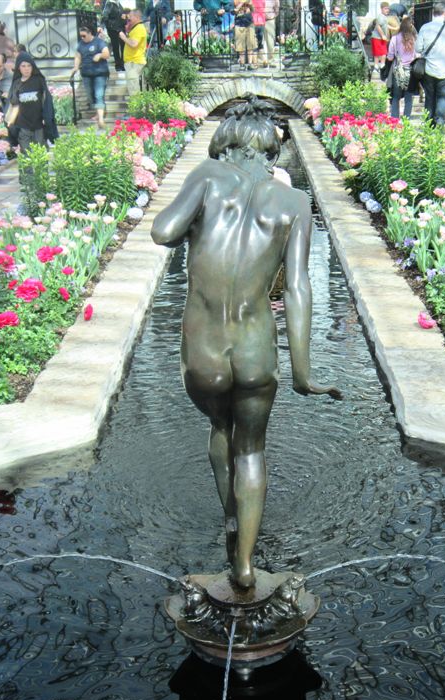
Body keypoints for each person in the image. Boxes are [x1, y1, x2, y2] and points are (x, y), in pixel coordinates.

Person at [151, 97, 341, 590]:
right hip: (257, 346)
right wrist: (303, 373)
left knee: (220, 426)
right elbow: (298, 290)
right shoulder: (294, 203)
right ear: (269, 152)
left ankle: (231, 520)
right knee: (252, 450)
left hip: (205, 347)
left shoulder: (208, 176)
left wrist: (200, 191)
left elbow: (163, 231)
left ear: (227, 146)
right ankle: (245, 564)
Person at [415, 2, 445, 127]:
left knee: (429, 96)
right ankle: (440, 122)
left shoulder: (425, 27)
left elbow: (418, 48)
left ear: (433, 12)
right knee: (442, 97)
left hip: (429, 68)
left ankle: (428, 123)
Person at [7, 54, 58, 153]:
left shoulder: (39, 81)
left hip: (39, 125)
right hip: (23, 126)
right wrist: (11, 122)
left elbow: (46, 101)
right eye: (23, 66)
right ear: (18, 68)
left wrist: (47, 119)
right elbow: (15, 104)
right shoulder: (17, 83)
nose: (26, 69)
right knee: (26, 155)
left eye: (29, 66)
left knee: (41, 154)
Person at [70, 26, 109, 130]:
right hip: (86, 74)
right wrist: (76, 67)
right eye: (81, 36)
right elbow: (78, 56)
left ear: (90, 33)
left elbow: (107, 54)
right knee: (90, 95)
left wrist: (100, 55)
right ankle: (98, 112)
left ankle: (101, 119)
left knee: (99, 95)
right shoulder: (81, 44)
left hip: (100, 73)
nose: (82, 38)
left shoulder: (98, 42)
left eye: (84, 36)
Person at [387, 17, 417, 119]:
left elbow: (390, 57)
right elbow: (417, 54)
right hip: (411, 71)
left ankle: (394, 119)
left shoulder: (395, 38)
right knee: (409, 97)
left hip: (398, 71)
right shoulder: (414, 39)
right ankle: (406, 119)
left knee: (396, 97)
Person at [119, 9, 147, 96]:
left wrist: (123, 37)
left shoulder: (139, 28)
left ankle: (136, 105)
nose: (128, 18)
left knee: (134, 91)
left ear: (137, 17)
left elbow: (134, 44)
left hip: (134, 63)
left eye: (130, 16)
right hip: (133, 62)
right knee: (134, 89)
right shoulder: (136, 28)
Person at [101, 0, 126, 73]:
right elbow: (105, 17)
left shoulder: (119, 4)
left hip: (120, 28)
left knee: (123, 46)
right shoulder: (109, 4)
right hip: (113, 29)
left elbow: (121, 15)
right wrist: (109, 26)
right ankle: (118, 65)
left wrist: (124, 18)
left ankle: (122, 64)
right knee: (116, 47)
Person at [234, 0, 257, 69]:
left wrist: (250, 5)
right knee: (240, 46)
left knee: (251, 44)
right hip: (239, 23)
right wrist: (242, 3)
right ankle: (242, 64)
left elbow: (253, 10)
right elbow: (234, 11)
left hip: (249, 23)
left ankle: (250, 64)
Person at [371, 2, 391, 72]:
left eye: (388, 9)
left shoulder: (384, 17)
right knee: (379, 53)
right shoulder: (380, 17)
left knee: (383, 53)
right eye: (385, 9)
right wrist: (382, 35)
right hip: (377, 38)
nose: (387, 10)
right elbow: (378, 26)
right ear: (381, 9)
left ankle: (380, 66)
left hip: (380, 38)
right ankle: (378, 67)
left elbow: (385, 25)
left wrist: (394, 28)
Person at [262, 0, 279, 66]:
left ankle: (271, 60)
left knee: (270, 41)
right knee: (259, 41)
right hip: (258, 19)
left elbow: (277, 6)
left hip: (270, 19)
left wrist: (273, 16)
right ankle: (261, 61)